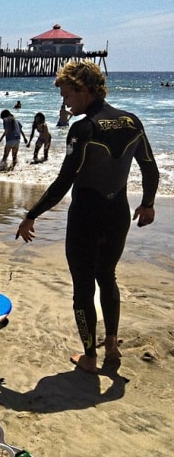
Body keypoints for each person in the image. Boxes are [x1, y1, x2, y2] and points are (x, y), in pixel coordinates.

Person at [15, 60, 159, 374]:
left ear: (84, 90)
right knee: (107, 278)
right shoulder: (132, 122)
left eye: (67, 95)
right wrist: (147, 204)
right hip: (118, 215)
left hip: (85, 219)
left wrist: (31, 215)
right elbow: (150, 167)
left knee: (83, 288)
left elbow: (65, 180)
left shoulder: (84, 128)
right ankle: (111, 346)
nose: (64, 102)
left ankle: (90, 357)